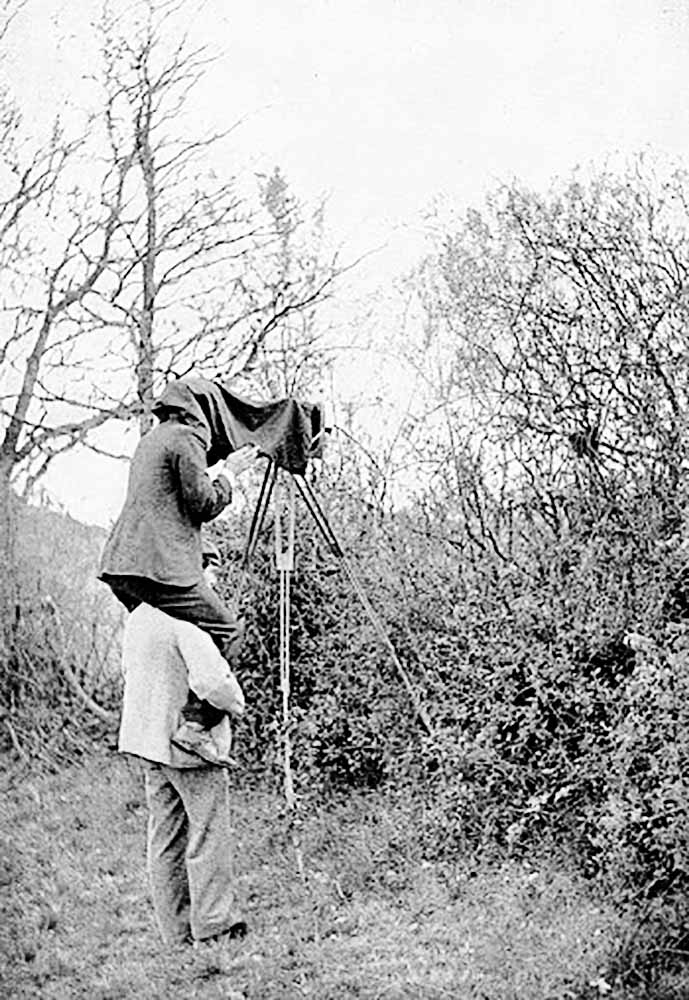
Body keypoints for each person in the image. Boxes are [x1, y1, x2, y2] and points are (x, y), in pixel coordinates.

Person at [99, 388, 260, 758]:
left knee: (164, 640)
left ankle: (155, 736)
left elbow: (171, 503)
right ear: (200, 412)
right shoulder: (187, 438)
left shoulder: (152, 440)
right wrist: (231, 475)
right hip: (160, 569)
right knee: (228, 632)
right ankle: (196, 725)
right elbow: (202, 503)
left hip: (123, 567)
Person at [118, 552, 248, 948]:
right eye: (208, 571)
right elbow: (213, 682)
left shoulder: (139, 616)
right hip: (186, 745)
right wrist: (236, 702)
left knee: (165, 836)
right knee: (207, 832)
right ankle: (214, 925)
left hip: (147, 742)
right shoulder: (188, 620)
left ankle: (175, 931)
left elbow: (130, 674)